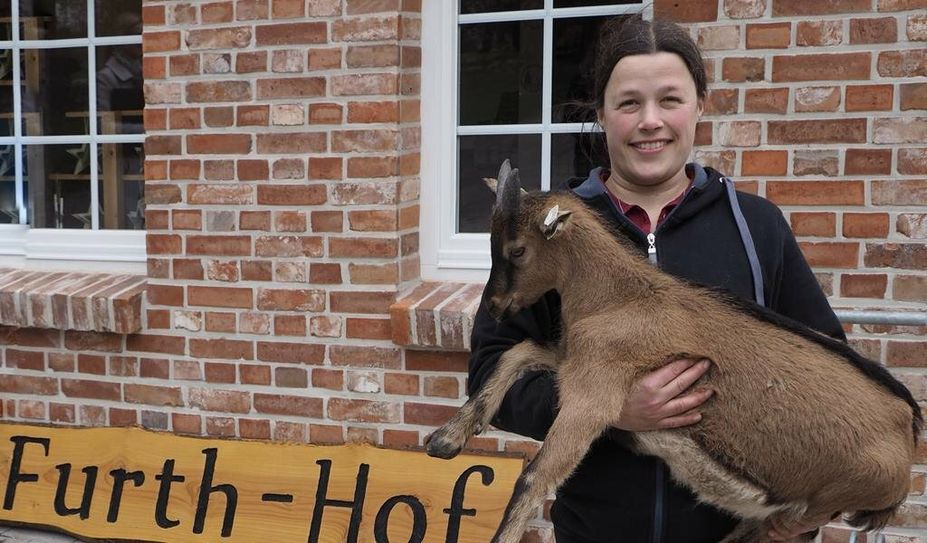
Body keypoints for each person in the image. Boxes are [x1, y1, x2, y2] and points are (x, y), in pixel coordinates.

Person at [467, 15, 847, 543]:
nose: (650, 120)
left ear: (700, 106)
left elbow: (828, 364)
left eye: (670, 99)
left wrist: (806, 509)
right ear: (601, 114)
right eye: (628, 103)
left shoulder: (756, 227)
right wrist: (610, 407)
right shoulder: (550, 233)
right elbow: (489, 372)